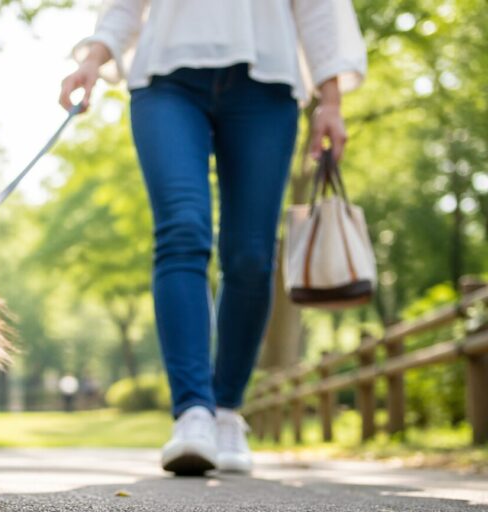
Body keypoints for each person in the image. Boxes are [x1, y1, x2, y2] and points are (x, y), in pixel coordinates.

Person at [60, 0, 366, 475]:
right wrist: (92, 61)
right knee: (182, 231)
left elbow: (319, 8)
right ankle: (193, 414)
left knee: (250, 255)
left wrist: (330, 100)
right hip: (166, 81)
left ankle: (226, 411)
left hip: (266, 83)